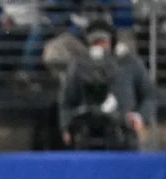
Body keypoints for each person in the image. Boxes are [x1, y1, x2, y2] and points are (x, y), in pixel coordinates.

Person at [59, 20, 155, 151]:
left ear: (112, 42)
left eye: (103, 42)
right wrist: (66, 127)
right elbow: (67, 102)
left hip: (125, 136)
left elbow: (149, 96)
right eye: (94, 42)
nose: (99, 46)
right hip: (87, 138)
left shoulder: (130, 63)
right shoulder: (78, 66)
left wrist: (140, 116)